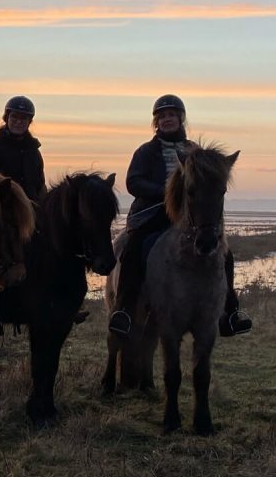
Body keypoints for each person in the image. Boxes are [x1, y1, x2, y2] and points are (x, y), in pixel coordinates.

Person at [108, 94, 252, 339]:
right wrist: (165, 194)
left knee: (224, 254)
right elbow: (133, 182)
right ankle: (123, 310)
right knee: (133, 249)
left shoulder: (194, 152)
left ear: (180, 118)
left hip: (189, 217)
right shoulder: (145, 151)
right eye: (162, 116)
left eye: (171, 115)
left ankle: (229, 313)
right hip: (153, 213)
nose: (167, 120)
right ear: (156, 123)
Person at [0, 95, 46, 340]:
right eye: (15, 117)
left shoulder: (34, 153)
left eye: (24, 118)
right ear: (7, 119)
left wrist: (42, 210)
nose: (19, 122)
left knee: (48, 249)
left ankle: (40, 304)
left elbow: (39, 185)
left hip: (29, 213)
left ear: (29, 122)